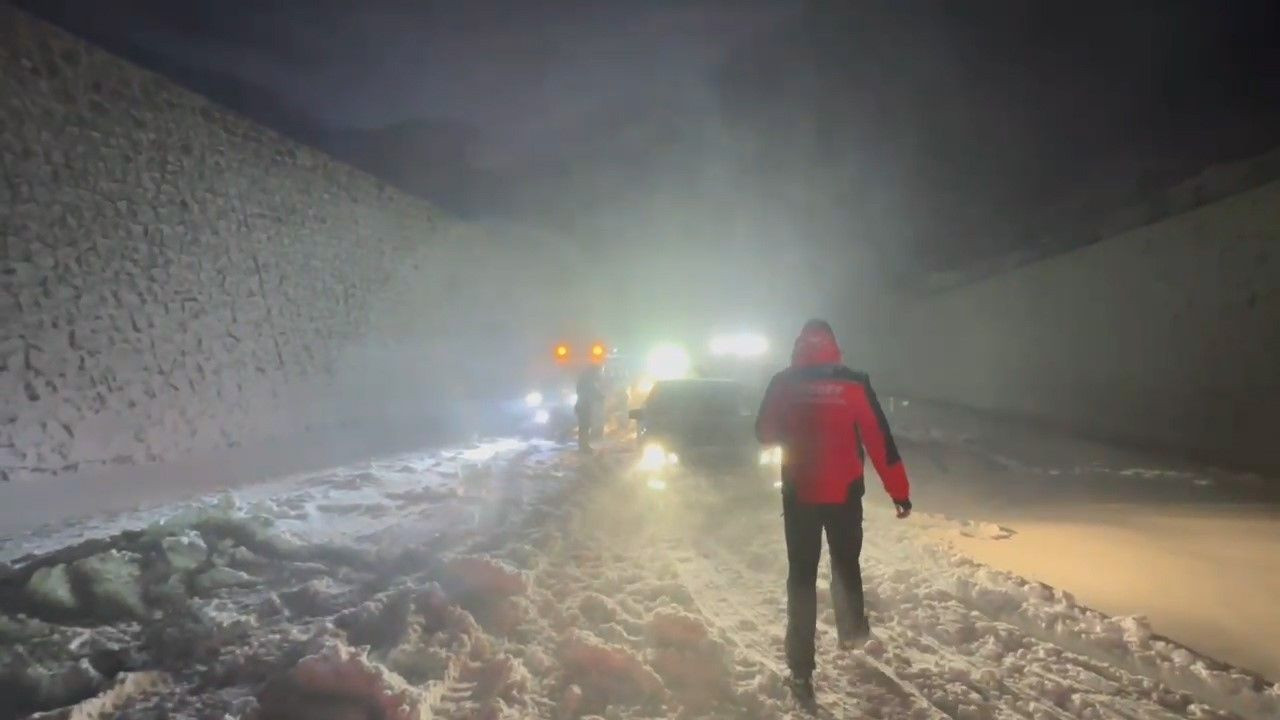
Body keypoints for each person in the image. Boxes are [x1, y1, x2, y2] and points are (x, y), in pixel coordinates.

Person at [755, 319, 912, 705]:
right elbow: (879, 439)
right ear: (833, 345)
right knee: (845, 561)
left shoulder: (783, 383)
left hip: (800, 494)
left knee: (802, 578)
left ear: (798, 346)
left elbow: (763, 432)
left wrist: (796, 424)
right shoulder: (854, 383)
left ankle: (801, 668)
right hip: (844, 494)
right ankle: (853, 632)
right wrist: (899, 492)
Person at [574, 364, 604, 452]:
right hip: (583, 406)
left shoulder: (584, 380)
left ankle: (583, 445)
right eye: (599, 372)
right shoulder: (588, 381)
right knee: (585, 426)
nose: (599, 374)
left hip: (582, 406)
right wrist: (601, 396)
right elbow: (593, 391)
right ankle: (584, 446)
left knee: (584, 426)